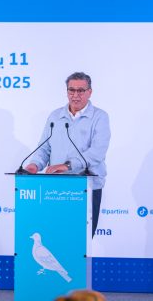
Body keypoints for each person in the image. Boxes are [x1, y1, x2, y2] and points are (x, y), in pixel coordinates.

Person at [25, 72, 111, 237]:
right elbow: (44, 147)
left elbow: (97, 152)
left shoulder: (100, 117)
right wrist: (34, 165)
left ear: (89, 92)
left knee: (81, 241)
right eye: (71, 90)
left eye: (81, 90)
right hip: (56, 188)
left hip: (86, 188)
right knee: (55, 238)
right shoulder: (55, 116)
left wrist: (68, 165)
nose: (75, 95)